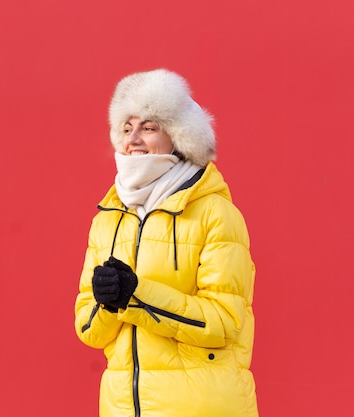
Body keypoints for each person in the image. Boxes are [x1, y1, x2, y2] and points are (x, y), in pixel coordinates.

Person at [74, 68, 258, 417]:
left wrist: (136, 294)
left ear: (178, 136)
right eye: (127, 128)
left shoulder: (215, 214)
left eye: (149, 127)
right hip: (122, 409)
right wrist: (105, 301)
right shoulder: (107, 219)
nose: (135, 138)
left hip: (200, 408)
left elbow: (223, 322)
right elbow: (88, 329)